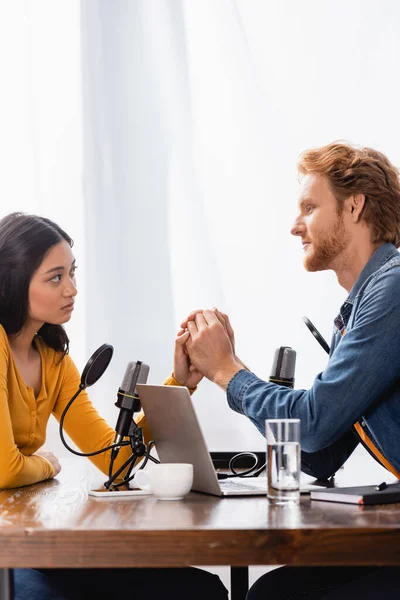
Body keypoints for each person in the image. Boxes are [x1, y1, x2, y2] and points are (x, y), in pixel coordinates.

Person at [176, 142, 400, 599]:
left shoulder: (392, 289)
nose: (295, 226)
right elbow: (319, 453)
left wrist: (227, 371)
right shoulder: (362, 307)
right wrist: (232, 369)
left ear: (354, 205)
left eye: (310, 207)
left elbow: (313, 426)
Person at [0, 212, 227, 600]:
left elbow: (115, 459)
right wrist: (47, 464)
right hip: (8, 550)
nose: (71, 289)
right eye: (55, 278)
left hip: (26, 540)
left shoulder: (53, 359)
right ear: (13, 282)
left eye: (73, 273)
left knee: (197, 589)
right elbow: (6, 470)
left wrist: (180, 385)